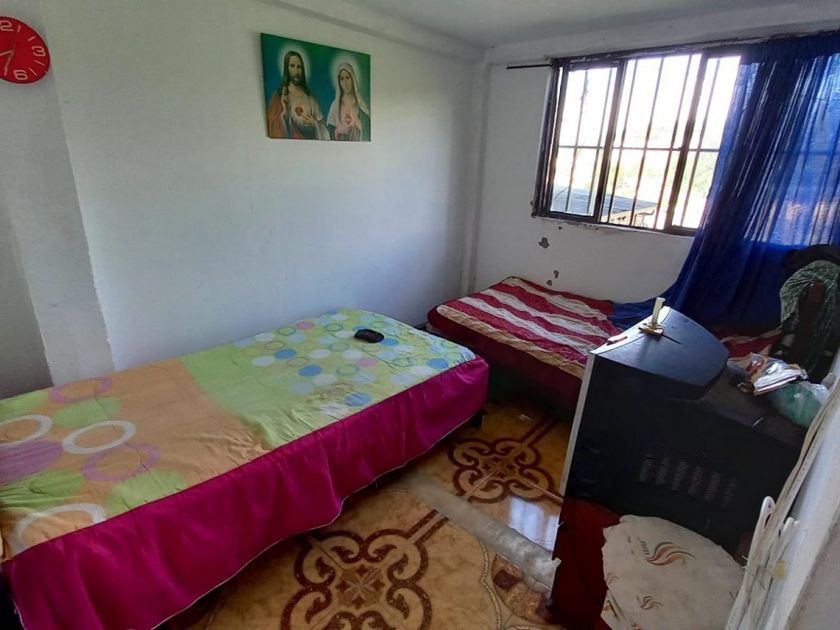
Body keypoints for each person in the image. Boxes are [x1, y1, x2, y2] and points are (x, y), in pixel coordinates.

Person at [266, 51, 330, 140]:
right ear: (287, 68)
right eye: (292, 66)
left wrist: (315, 124)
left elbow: (325, 132)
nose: (296, 71)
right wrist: (285, 114)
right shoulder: (280, 96)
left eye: (299, 67)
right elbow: (273, 129)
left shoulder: (311, 99)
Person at [327, 63, 370, 142]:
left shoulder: (361, 105)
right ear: (339, 82)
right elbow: (327, 133)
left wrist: (358, 123)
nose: (345, 82)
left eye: (347, 77)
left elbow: (368, 130)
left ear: (352, 79)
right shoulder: (335, 106)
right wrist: (337, 131)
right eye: (342, 79)